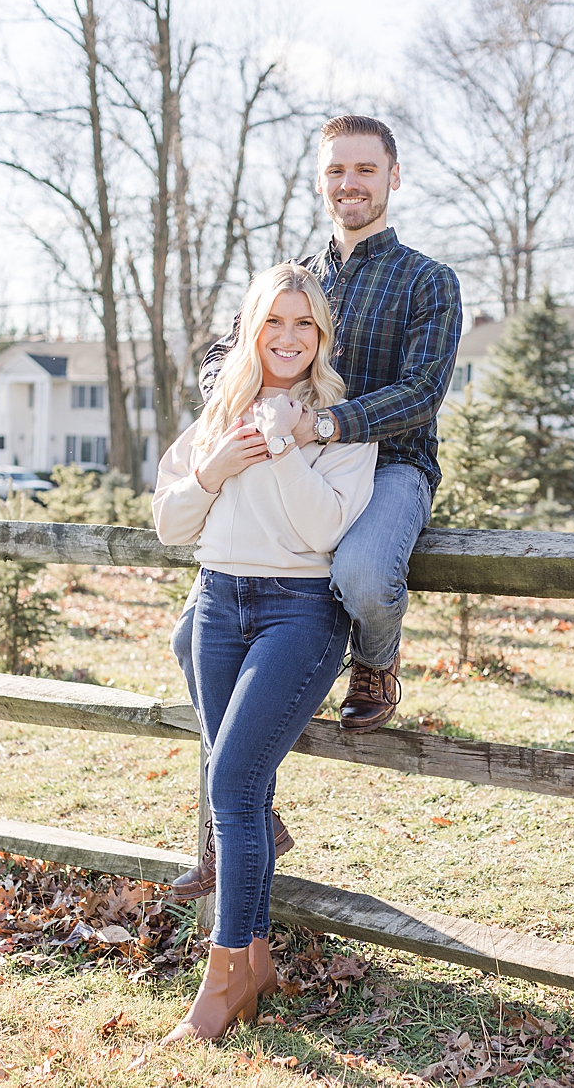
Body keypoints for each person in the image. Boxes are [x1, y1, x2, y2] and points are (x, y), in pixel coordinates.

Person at [167, 114, 462, 903]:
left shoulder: (428, 280)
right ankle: (240, 815)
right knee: (192, 631)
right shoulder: (296, 276)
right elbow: (220, 354)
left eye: (365, 169)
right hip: (289, 460)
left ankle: (376, 656)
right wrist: (239, 408)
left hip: (388, 460)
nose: (350, 183)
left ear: (392, 178)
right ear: (322, 179)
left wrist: (324, 423)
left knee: (364, 572)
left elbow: (422, 391)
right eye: (336, 170)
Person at [151, 262, 378, 1040]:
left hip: (299, 614)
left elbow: (324, 533)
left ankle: (220, 985)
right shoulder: (221, 411)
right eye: (273, 322)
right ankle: (254, 963)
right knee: (239, 791)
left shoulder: (341, 422)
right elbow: (170, 524)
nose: (287, 338)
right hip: (218, 602)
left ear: (321, 335)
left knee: (234, 782)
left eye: (303, 324)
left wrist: (284, 444)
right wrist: (214, 468)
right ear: (253, 329)